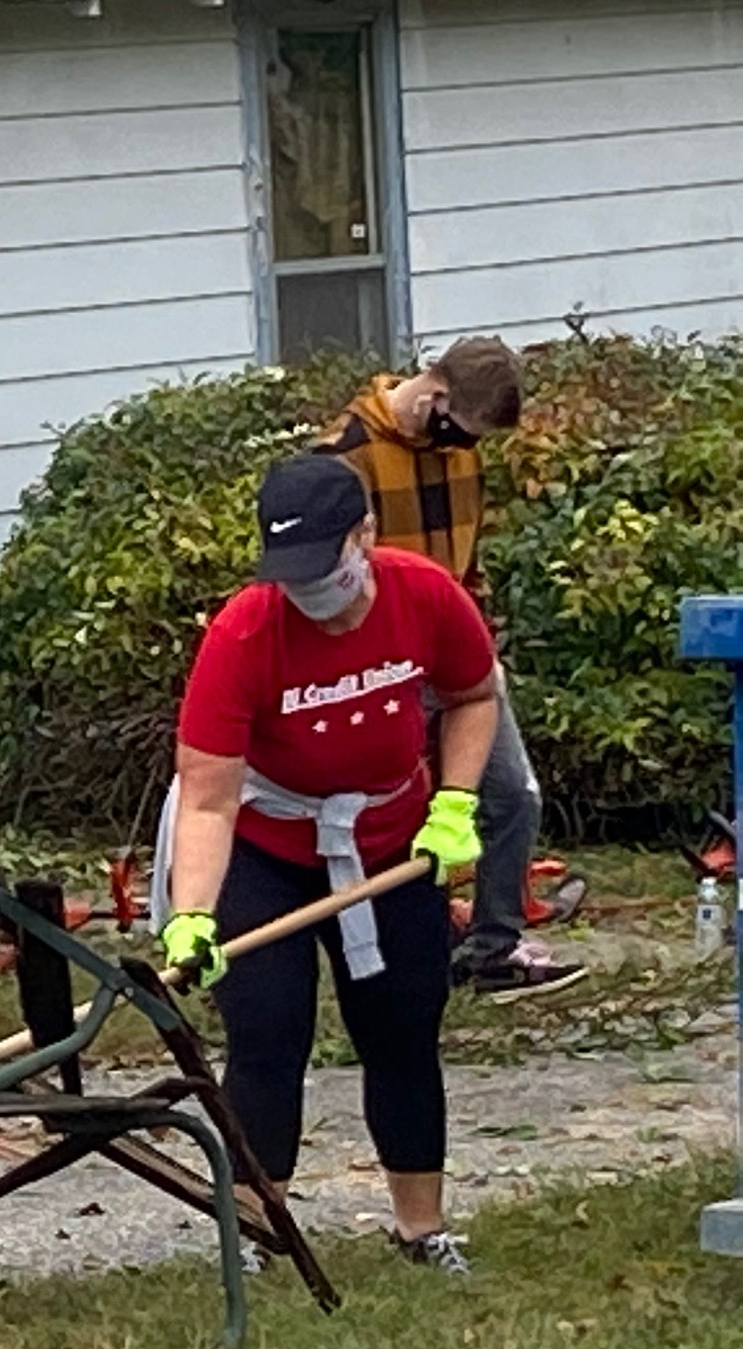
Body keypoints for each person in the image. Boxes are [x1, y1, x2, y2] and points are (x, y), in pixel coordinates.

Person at [159, 455, 498, 1274]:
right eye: (293, 575)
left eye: (324, 567)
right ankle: (257, 1234)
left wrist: (453, 805)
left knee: (403, 1030)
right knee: (268, 1032)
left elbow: (475, 695)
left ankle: (422, 1230)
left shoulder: (424, 596)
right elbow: (208, 797)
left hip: (388, 843)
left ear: (365, 538)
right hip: (267, 846)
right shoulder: (243, 633)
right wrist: (193, 913)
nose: (310, 589)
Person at [313, 336, 586, 1000]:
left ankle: (494, 947)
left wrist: (481, 644)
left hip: (455, 659)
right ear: (435, 396)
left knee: (510, 796)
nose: (467, 448)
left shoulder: (460, 458)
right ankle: (411, 952)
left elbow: (468, 562)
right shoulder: (344, 455)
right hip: (382, 668)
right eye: (462, 432)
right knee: (398, 816)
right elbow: (329, 577)